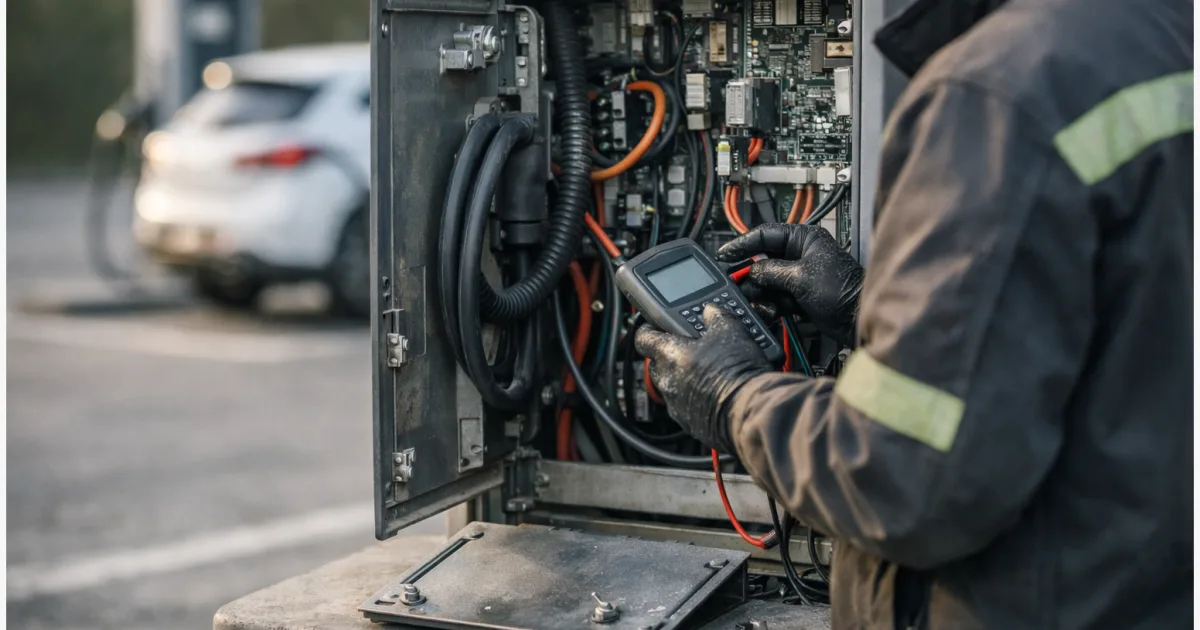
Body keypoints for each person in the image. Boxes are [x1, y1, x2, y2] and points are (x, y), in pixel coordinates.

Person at [635, 0, 1193, 627]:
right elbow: (1119, 339)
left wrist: (732, 398)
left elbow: (903, 478)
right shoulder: (1166, 39)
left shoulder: (999, 90)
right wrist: (866, 305)